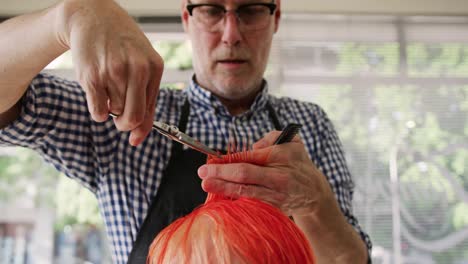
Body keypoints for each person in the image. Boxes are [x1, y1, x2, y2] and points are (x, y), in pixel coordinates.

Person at [0, 0, 372, 263]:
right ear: (186, 17)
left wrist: (314, 203)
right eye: (212, 9)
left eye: (251, 9)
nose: (231, 34)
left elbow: (350, 261)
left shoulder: (311, 125)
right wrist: (68, 17)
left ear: (275, 17)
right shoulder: (127, 115)